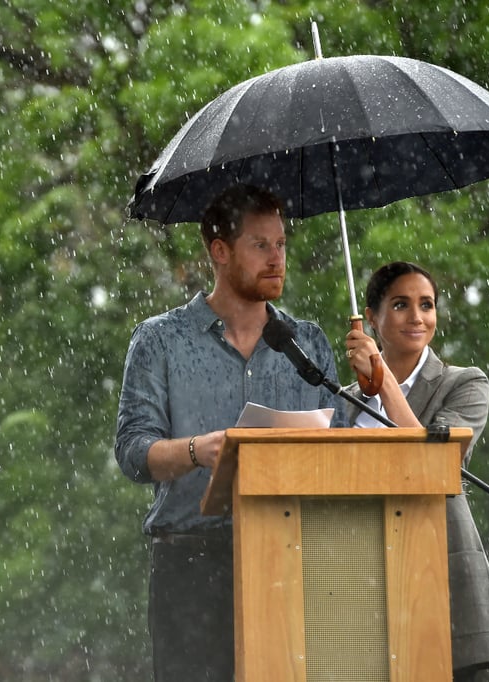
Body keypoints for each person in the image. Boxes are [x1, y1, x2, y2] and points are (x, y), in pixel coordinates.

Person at [115, 184, 340, 681]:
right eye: (260, 245)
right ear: (219, 251)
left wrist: (374, 383)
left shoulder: (308, 343)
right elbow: (132, 451)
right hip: (190, 562)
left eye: (281, 243)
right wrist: (198, 450)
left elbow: (340, 453)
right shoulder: (159, 340)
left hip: (290, 558)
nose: (277, 257)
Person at [341, 260, 489, 680]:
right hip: (362, 583)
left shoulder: (464, 384)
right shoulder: (344, 401)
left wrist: (381, 380)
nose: (418, 317)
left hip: (440, 581)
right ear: (370, 318)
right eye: (401, 305)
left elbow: (429, 465)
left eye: (427, 305)